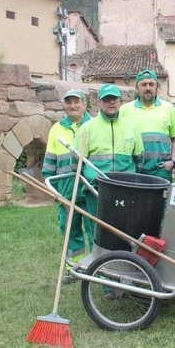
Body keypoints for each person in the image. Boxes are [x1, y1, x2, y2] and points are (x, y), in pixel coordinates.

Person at [42, 89, 92, 284]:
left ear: (84, 105)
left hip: (88, 189)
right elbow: (49, 163)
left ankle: (99, 268)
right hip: (65, 190)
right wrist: (53, 189)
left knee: (94, 229)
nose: (73, 106)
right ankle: (75, 268)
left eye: (76, 102)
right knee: (70, 229)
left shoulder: (93, 125)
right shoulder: (57, 128)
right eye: (69, 102)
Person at [73, 84, 144, 218]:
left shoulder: (132, 127)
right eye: (107, 99)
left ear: (120, 102)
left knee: (124, 227)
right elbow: (76, 164)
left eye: (115, 99)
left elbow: (139, 160)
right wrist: (92, 178)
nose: (111, 102)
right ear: (99, 102)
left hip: (126, 188)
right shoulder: (86, 129)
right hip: (95, 189)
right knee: (96, 230)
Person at [120, 69, 175, 182]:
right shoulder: (125, 110)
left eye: (151, 84)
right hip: (135, 170)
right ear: (137, 87)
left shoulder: (169, 109)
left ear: (156, 87)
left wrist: (173, 162)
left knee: (161, 200)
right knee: (135, 199)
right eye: (143, 84)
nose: (148, 88)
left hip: (161, 170)